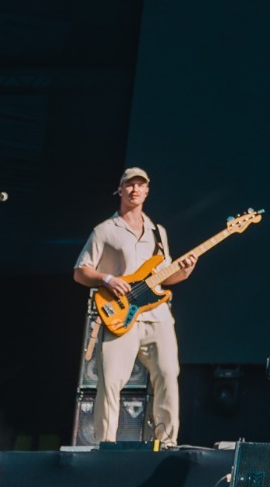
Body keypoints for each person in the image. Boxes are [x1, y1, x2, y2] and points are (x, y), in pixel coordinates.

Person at [72, 166, 197, 446]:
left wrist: (185, 271)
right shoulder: (105, 230)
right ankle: (106, 443)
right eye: (129, 185)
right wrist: (107, 279)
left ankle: (166, 443)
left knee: (167, 375)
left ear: (147, 191)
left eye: (141, 185)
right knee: (111, 382)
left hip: (157, 317)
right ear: (120, 189)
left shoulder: (158, 232)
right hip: (120, 316)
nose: (135, 190)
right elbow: (80, 271)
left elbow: (164, 276)